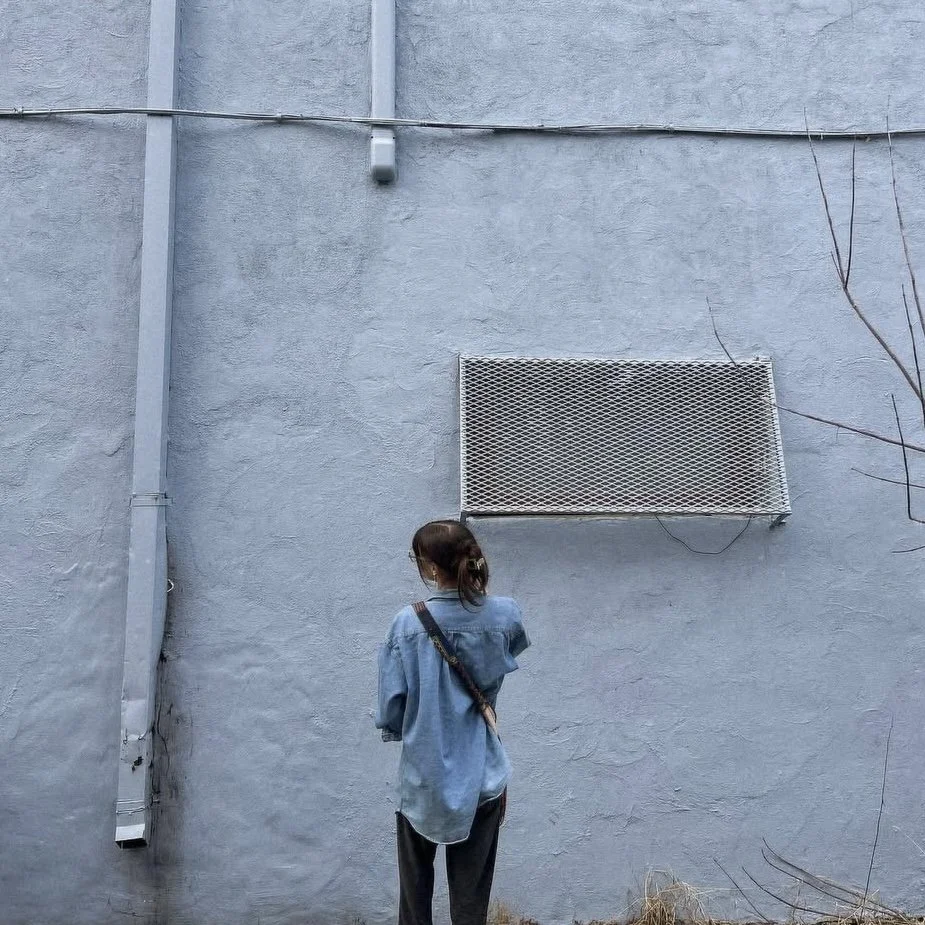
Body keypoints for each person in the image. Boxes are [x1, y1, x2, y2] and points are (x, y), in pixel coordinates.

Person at [376, 519, 530, 925]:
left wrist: (407, 726)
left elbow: (391, 708)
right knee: (471, 899)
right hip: (483, 772)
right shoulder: (505, 615)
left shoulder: (406, 623)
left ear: (429, 566)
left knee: (414, 899)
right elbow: (498, 670)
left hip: (421, 777)